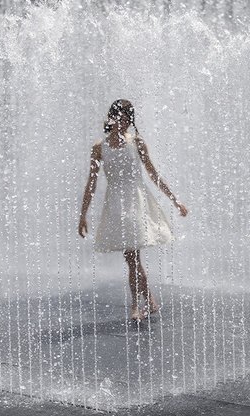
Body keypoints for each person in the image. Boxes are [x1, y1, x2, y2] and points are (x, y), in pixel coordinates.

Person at [78, 99, 188, 321]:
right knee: (132, 257)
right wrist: (83, 215)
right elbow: (91, 183)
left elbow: (153, 174)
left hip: (137, 202)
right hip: (117, 205)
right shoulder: (100, 148)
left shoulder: (136, 143)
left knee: (132, 257)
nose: (124, 122)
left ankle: (137, 305)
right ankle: (150, 301)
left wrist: (175, 200)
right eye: (120, 117)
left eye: (128, 118)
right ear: (111, 118)